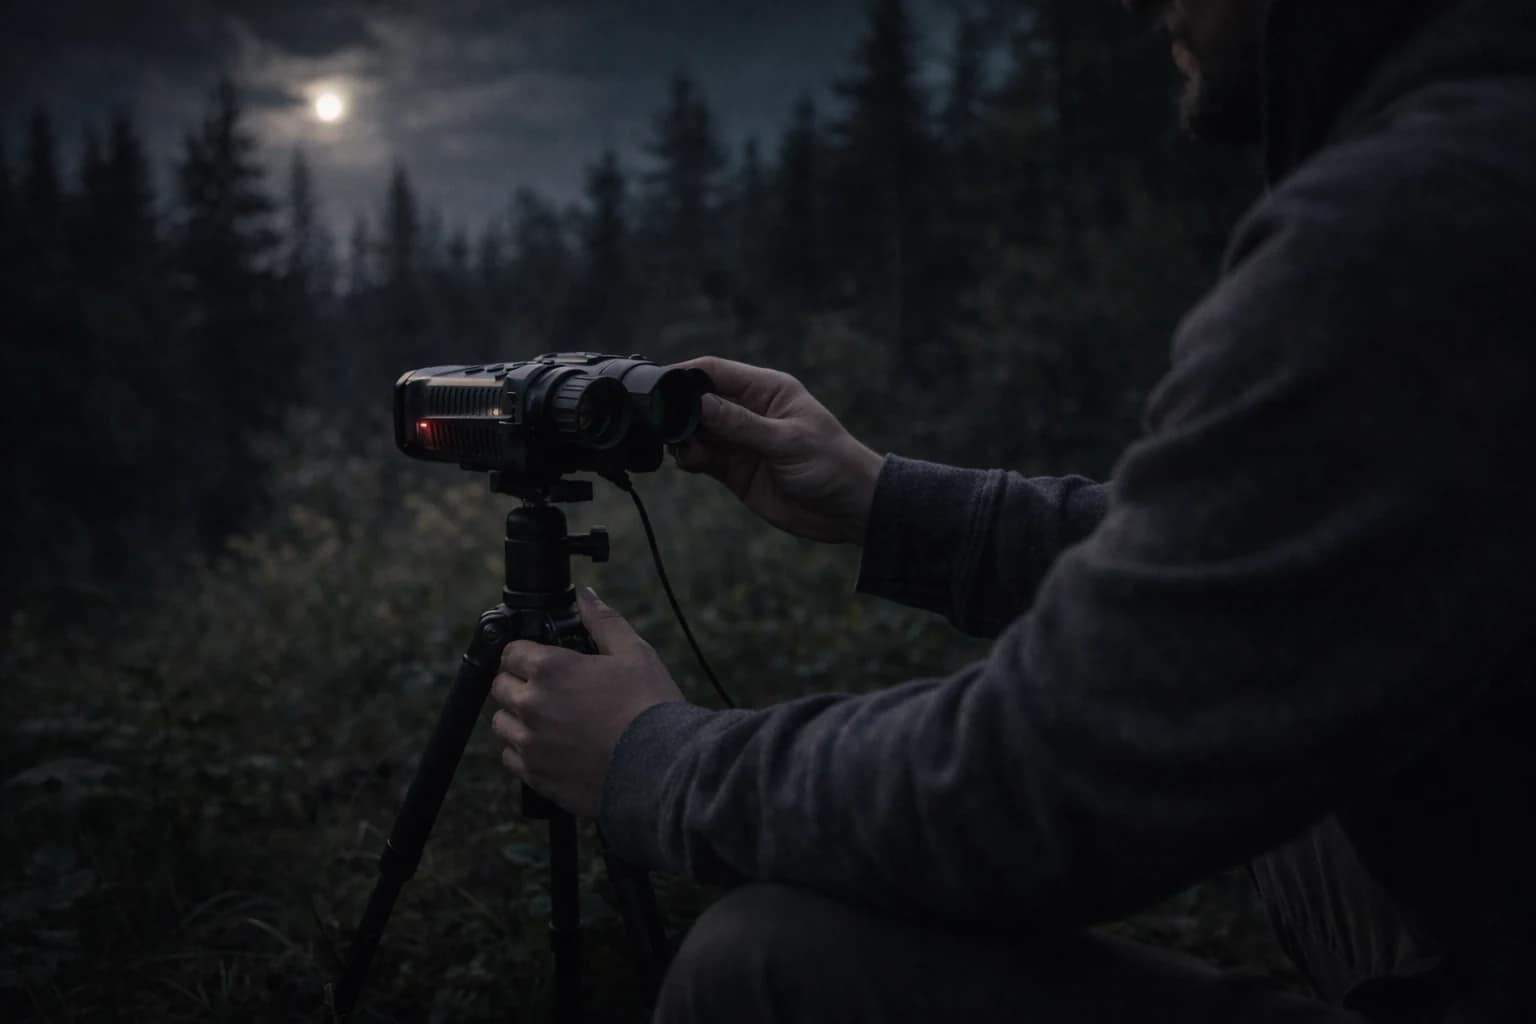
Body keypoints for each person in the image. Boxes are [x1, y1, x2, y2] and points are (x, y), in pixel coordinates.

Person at [487, 0, 1536, 1019]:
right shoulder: (1485, 143)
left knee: (758, 968)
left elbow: (1037, 780)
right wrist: (884, 500)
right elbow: (1258, 577)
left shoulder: (1407, 228)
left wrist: (651, 758)